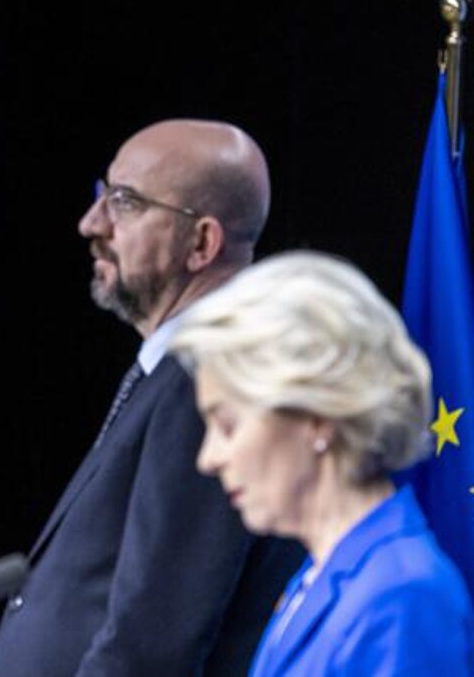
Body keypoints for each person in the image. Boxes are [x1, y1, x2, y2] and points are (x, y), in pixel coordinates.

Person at [0, 119, 302, 675]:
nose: (91, 224)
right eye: (101, 195)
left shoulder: (212, 379)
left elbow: (156, 639)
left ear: (202, 243)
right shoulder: (171, 369)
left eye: (125, 203)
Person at [169, 251, 474, 675]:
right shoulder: (326, 573)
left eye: (228, 424)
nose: (209, 458)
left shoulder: (404, 596)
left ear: (316, 416)